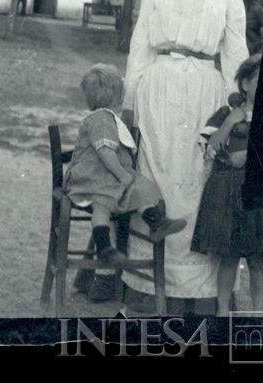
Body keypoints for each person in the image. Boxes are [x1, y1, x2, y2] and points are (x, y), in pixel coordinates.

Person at [121, 0, 249, 307]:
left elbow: (236, 61)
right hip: (158, 91)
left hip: (205, 97)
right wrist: (130, 103)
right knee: (158, 177)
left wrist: (235, 112)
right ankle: (150, 283)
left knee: (198, 182)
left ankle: (201, 291)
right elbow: (140, 49)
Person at [192, 54, 263, 315]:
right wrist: (231, 122)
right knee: (229, 257)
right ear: (244, 84)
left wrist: (247, 155)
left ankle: (258, 314)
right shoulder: (226, 113)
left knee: (257, 260)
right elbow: (210, 148)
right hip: (227, 192)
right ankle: (222, 313)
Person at [64, 64, 186, 266]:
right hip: (92, 179)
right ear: (117, 96)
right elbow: (104, 151)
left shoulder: (108, 119)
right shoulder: (101, 119)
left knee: (139, 187)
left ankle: (156, 222)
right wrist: (122, 175)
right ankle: (104, 248)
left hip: (106, 178)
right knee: (101, 205)